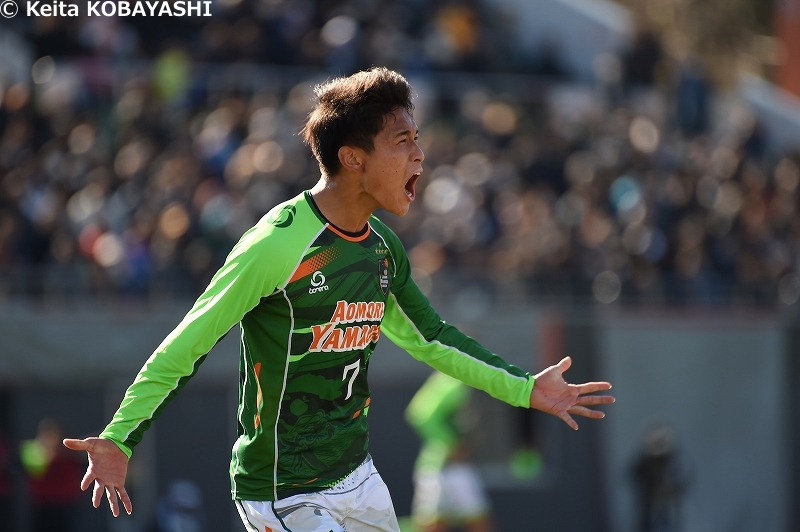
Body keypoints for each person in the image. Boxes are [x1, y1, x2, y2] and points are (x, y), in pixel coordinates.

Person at [63, 67, 614, 532]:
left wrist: (524, 388)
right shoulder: (278, 244)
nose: (421, 155)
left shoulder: (381, 249)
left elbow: (434, 339)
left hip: (359, 479)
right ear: (353, 158)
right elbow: (185, 346)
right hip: (282, 489)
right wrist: (119, 438)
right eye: (403, 142)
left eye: (417, 139)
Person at [406, 371, 494, 532]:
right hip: (443, 467)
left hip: (446, 468)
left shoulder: (452, 381)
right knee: (435, 523)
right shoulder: (453, 383)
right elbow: (420, 415)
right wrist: (450, 444)